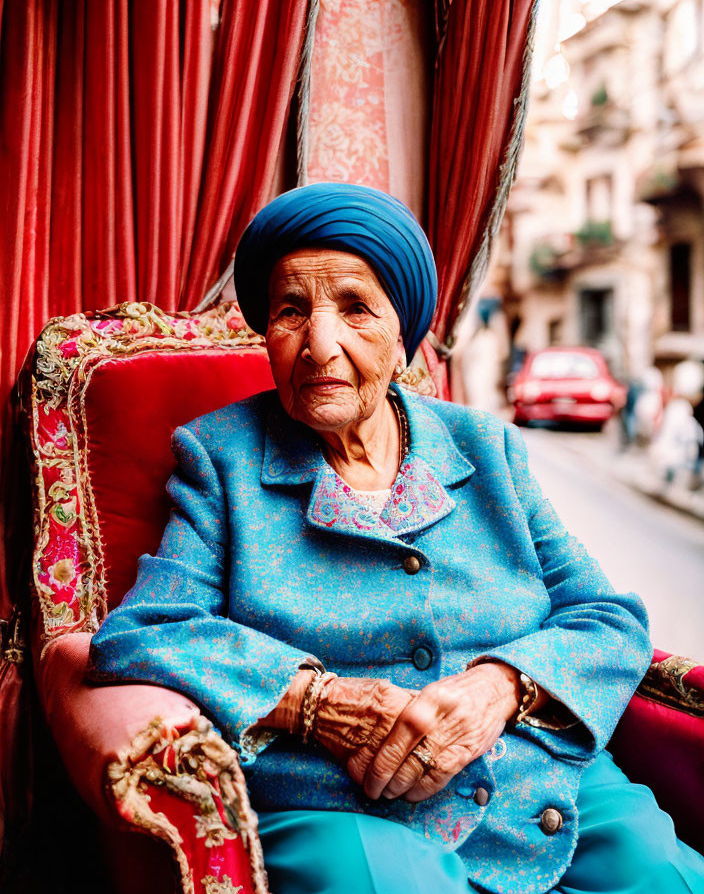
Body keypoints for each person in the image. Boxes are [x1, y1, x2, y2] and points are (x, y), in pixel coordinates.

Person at [88, 183, 704, 894]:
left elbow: (605, 617)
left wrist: (500, 686)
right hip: (344, 801)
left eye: (355, 308)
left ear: (402, 332)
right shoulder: (220, 458)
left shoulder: (488, 450)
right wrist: (315, 702)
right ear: (267, 331)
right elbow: (145, 633)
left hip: (537, 780)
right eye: (292, 311)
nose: (320, 344)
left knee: (655, 870)